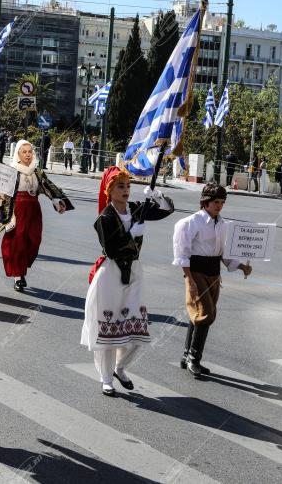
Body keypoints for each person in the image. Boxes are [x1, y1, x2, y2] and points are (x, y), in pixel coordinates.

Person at [81, 166, 174, 396]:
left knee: (136, 330)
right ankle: (106, 378)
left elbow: (166, 210)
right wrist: (132, 234)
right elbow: (111, 249)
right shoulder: (105, 217)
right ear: (110, 191)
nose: (126, 190)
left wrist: (157, 196)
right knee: (109, 331)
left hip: (133, 273)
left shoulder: (134, 209)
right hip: (111, 275)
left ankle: (119, 368)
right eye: (120, 186)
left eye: (128, 186)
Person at [173, 183, 253, 377]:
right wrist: (189, 280)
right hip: (196, 272)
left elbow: (224, 254)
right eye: (216, 202)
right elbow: (182, 254)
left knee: (198, 316)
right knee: (205, 314)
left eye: (222, 202)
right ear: (205, 202)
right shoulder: (190, 223)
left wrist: (242, 266)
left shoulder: (223, 224)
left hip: (214, 274)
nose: (219, 205)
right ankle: (194, 359)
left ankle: (186, 356)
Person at [0, 140, 73, 291]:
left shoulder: (37, 171)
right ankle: (18, 276)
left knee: (34, 240)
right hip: (18, 209)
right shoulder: (12, 171)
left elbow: (48, 187)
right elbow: (3, 194)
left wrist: (57, 200)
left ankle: (21, 266)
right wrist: (7, 217)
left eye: (30, 151)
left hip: (33, 209)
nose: (27, 154)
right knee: (18, 241)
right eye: (24, 152)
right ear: (18, 154)